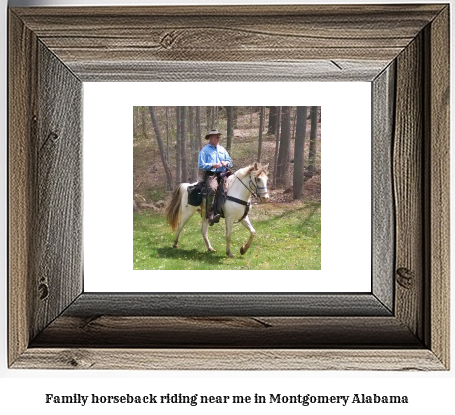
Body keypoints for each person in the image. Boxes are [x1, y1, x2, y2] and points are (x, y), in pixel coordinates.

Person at [198, 129, 233, 225]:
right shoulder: (204, 151)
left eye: (218, 137)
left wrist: (226, 162)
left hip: (223, 173)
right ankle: (210, 214)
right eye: (216, 137)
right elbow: (201, 165)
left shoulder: (222, 149)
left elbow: (230, 161)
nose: (218, 139)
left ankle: (224, 211)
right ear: (210, 138)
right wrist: (213, 165)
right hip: (211, 174)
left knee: (228, 188)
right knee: (213, 189)